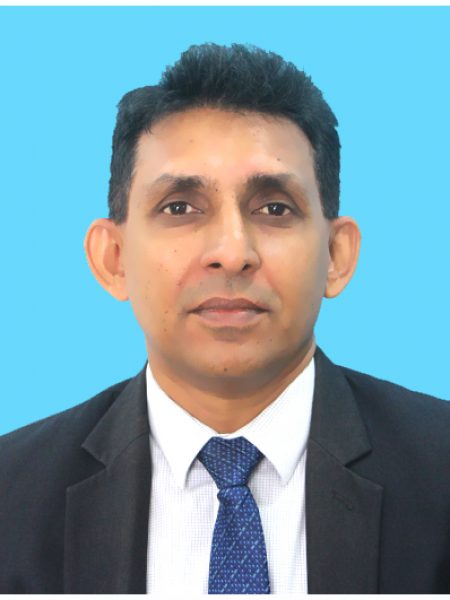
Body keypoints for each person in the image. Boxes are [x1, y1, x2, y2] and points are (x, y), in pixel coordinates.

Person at [1, 43, 449, 595]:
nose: (232, 252)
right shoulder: (12, 494)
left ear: (336, 256)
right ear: (113, 258)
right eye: (180, 207)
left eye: (274, 208)